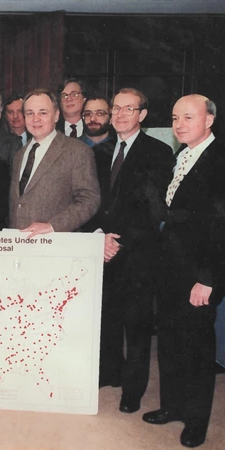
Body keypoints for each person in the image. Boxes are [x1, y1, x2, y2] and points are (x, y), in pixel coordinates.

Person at [142, 95, 225, 448]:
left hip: (199, 274)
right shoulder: (182, 155)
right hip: (171, 270)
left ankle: (196, 421)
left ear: (209, 120)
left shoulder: (219, 160)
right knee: (172, 343)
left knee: (197, 350)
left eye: (188, 117)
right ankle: (172, 407)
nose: (179, 124)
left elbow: (221, 226)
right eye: (175, 117)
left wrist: (208, 278)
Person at [87, 88, 175, 414]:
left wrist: (118, 240)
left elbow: (154, 211)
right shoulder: (100, 151)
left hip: (138, 254)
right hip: (102, 247)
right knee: (106, 317)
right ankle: (111, 373)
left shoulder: (159, 152)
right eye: (116, 108)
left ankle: (133, 392)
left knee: (136, 326)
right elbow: (92, 200)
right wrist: (100, 235)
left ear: (142, 115)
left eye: (129, 109)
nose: (121, 114)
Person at [9, 89, 100, 236]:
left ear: (56, 115)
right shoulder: (19, 154)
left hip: (55, 245)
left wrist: (52, 226)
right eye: (30, 113)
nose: (36, 119)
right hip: (19, 245)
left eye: (43, 113)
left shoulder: (77, 151)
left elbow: (89, 200)